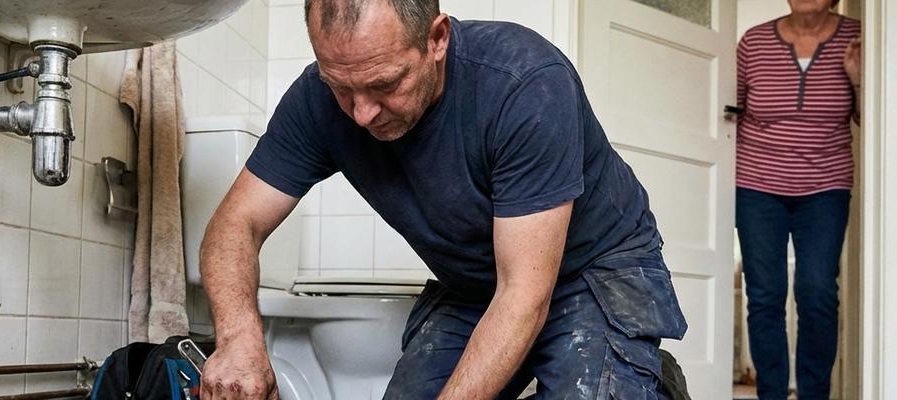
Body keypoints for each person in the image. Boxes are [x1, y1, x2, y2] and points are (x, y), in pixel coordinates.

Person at [197, 0, 687, 398]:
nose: (362, 114)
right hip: (477, 284)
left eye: (385, 84)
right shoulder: (318, 100)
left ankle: (643, 380)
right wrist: (239, 339)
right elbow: (236, 222)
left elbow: (524, 296)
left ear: (437, 39)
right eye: (340, 87)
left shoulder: (524, 83)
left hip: (593, 271)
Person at [734, 0, 861, 399]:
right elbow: (728, 111)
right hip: (756, 187)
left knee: (818, 290)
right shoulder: (753, 43)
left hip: (825, 188)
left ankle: (814, 394)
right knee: (766, 294)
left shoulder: (857, 37)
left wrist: (858, 79)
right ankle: (771, 393)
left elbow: (874, 118)